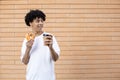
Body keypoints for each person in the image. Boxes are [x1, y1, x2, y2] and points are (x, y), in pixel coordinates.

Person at [20, 9, 60, 80]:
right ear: (30, 23)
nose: (40, 23)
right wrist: (28, 48)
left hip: (48, 77)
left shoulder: (49, 37)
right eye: (37, 21)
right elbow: (25, 62)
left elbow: (55, 58)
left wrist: (51, 47)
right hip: (32, 77)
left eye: (42, 21)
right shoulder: (27, 39)